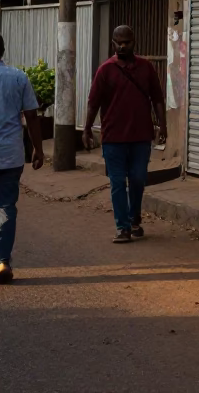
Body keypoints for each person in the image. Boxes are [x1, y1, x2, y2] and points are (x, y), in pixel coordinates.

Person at [83, 25, 166, 243]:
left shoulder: (146, 68)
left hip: (141, 136)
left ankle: (134, 217)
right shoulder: (105, 70)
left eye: (126, 42)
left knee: (138, 179)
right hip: (113, 138)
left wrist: (163, 126)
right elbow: (93, 103)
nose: (122, 45)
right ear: (112, 43)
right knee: (118, 182)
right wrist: (87, 128)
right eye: (118, 42)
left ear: (134, 42)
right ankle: (123, 227)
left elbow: (157, 98)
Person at [0, 31, 43, 284]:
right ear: (3, 52)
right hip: (10, 155)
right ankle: (3, 260)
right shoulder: (18, 77)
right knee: (6, 206)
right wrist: (38, 148)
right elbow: (32, 116)